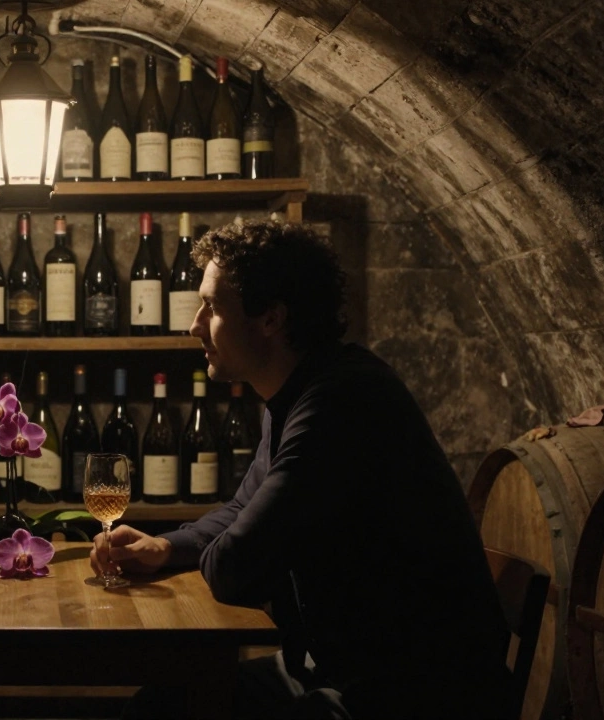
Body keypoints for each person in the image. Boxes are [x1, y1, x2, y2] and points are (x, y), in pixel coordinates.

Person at [92, 221, 513, 719]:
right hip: (329, 668)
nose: (195, 325)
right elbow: (241, 510)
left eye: (212, 307)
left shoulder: (342, 402)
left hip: (409, 692)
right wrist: (167, 547)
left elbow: (235, 568)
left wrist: (218, 550)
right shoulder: (297, 395)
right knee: (160, 704)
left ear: (270, 318)